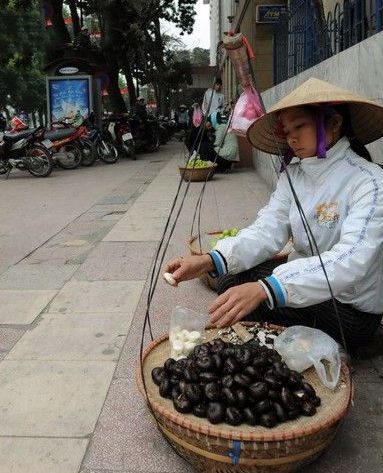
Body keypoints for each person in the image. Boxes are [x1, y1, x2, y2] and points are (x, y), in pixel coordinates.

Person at [164, 77, 383, 348]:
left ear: (334, 123)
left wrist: (267, 289)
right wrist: (209, 259)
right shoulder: (296, 175)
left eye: (300, 126)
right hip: (305, 278)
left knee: (250, 300)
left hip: (348, 307)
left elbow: (352, 259)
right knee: (229, 280)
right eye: (286, 130)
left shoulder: (369, 181)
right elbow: (268, 228)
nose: (291, 137)